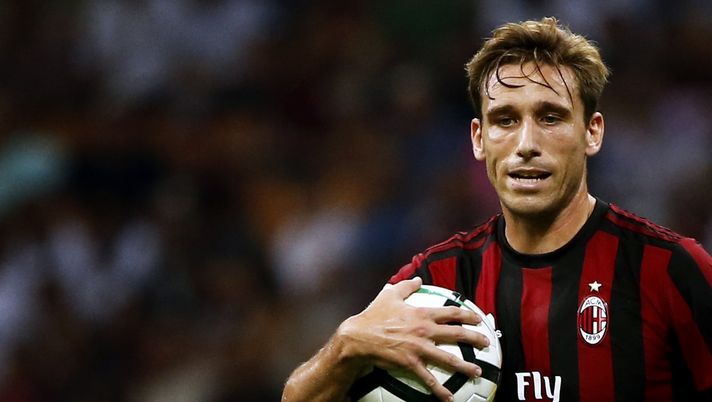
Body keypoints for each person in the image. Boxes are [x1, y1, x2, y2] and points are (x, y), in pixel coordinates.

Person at [281, 17, 712, 402]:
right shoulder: (435, 281)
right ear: (478, 139)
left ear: (592, 132)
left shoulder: (670, 270)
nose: (526, 144)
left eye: (550, 117)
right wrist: (345, 345)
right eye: (505, 120)